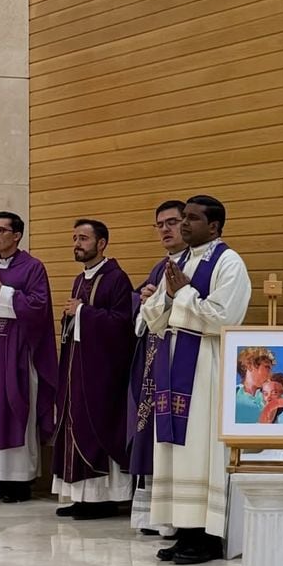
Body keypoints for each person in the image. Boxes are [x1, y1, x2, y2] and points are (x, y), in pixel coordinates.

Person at [141, 195, 251, 564]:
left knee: (200, 450)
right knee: (174, 450)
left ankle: (206, 538)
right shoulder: (179, 261)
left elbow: (224, 317)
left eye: (191, 219)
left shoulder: (229, 263)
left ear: (215, 226)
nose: (183, 225)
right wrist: (169, 296)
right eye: (182, 218)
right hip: (173, 363)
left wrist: (182, 292)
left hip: (205, 365)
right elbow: (155, 314)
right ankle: (184, 531)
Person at [0, 212, 58, 503]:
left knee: (15, 412)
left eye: (1, 230)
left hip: (16, 356)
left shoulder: (33, 268)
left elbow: (38, 309)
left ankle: (19, 483)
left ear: (16, 235)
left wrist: (3, 291)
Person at [52, 219, 135, 519]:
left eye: (84, 238)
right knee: (75, 423)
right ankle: (81, 497)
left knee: (96, 425)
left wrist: (83, 312)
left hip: (103, 372)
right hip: (78, 366)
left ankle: (104, 499)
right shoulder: (80, 279)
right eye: (75, 238)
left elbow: (122, 324)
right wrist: (72, 317)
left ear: (101, 243)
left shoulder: (116, 279)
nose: (77, 243)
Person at [128, 199, 187, 537]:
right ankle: (152, 515)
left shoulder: (192, 266)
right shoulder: (158, 267)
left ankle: (174, 517)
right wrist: (144, 298)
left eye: (172, 222)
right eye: (160, 224)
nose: (165, 229)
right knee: (150, 434)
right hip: (153, 361)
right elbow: (141, 314)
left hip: (177, 363)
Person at [234, 347, 276, 423]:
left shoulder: (266, 398)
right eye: (267, 367)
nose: (270, 374)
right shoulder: (233, 395)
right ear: (249, 365)